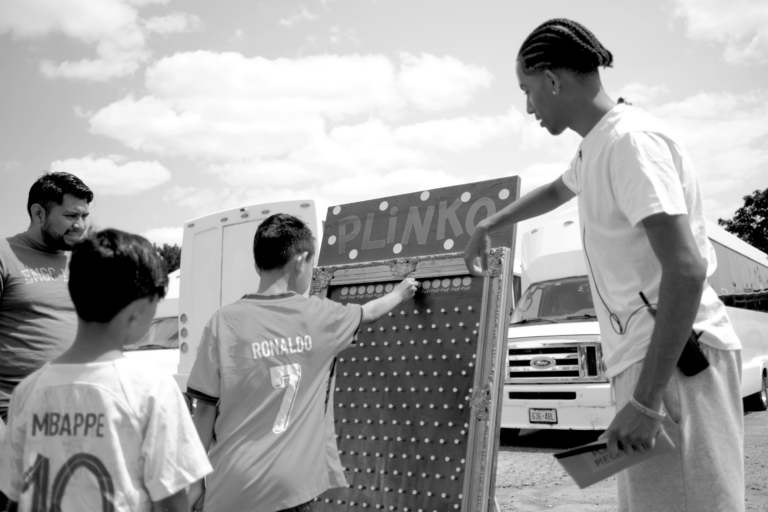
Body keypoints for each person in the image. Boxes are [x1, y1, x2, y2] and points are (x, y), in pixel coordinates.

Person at [464, 18, 744, 512]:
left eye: (527, 90)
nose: (528, 106)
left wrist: (644, 401)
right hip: (654, 362)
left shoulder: (630, 143)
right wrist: (489, 225)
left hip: (678, 362)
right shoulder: (597, 143)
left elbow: (686, 269)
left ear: (552, 79)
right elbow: (556, 190)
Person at [187, 213, 419, 512]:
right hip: (290, 489)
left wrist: (194, 486)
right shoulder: (319, 316)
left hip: (231, 487)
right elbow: (370, 312)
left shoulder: (222, 322)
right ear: (302, 259)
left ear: (258, 263)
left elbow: (203, 412)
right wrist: (400, 293)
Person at [0, 229, 212, 512]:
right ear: (139, 311)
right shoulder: (153, 390)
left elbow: (15, 494)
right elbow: (171, 501)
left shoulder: (26, 391)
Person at [0, 172, 94, 424]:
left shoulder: (83, 264)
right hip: (18, 419)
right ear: (38, 213)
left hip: (77, 418)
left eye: (84, 215)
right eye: (70, 216)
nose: (80, 225)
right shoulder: (4, 255)